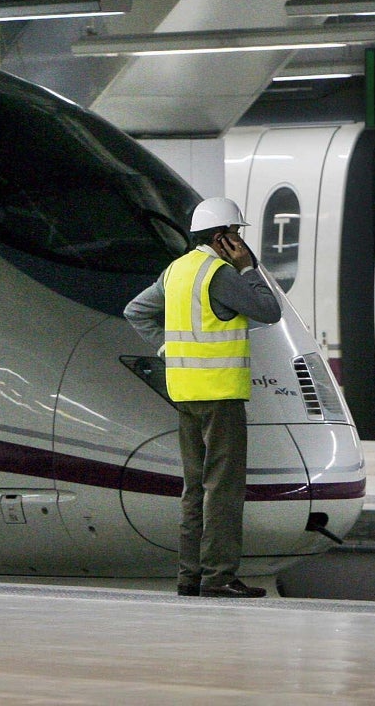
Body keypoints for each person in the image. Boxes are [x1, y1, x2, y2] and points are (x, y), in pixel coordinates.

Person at [124, 196, 281, 598]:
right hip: (220, 396)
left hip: (185, 393)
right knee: (223, 489)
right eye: (237, 235)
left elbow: (135, 311)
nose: (241, 243)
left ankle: (189, 576)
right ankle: (219, 577)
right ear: (223, 236)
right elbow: (268, 310)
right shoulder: (221, 274)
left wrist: (166, 349)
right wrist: (248, 268)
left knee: (194, 488)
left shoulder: (176, 271)